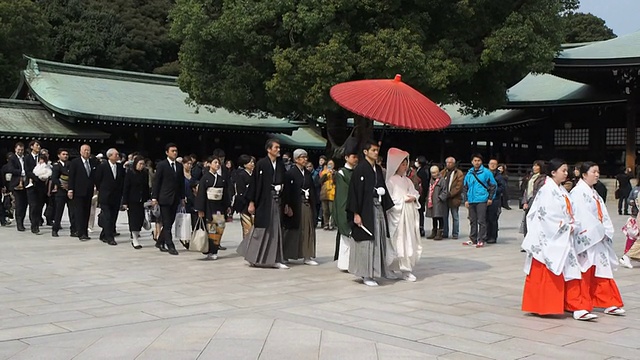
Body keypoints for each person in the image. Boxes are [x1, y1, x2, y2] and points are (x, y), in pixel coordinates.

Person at [521, 159, 589, 320]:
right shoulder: (547, 190)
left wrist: (571, 224)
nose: (566, 173)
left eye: (567, 170)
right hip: (550, 237)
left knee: (570, 269)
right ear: (553, 172)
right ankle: (547, 305)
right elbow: (547, 216)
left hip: (562, 235)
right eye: (563, 170)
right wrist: (567, 226)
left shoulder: (560, 190)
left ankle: (574, 305)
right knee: (552, 271)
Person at [570, 161, 625, 316]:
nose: (597, 175)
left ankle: (609, 302)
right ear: (584, 174)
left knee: (602, 269)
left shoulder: (594, 192)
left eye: (598, 172)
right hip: (587, 237)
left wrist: (605, 230)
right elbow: (582, 216)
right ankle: (580, 305)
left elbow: (604, 214)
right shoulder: (578, 192)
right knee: (585, 270)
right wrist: (596, 232)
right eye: (594, 171)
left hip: (598, 236)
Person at [346, 140, 394, 287]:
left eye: (377, 150)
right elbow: (354, 192)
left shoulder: (378, 169)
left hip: (377, 207)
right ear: (365, 152)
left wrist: (382, 192)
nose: (376, 152)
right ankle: (366, 273)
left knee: (378, 238)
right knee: (366, 240)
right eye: (373, 150)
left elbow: (381, 186)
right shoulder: (360, 169)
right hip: (365, 209)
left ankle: (375, 271)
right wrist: (355, 213)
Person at [239, 139, 288, 269]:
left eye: (279, 147)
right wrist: (251, 202)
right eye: (276, 147)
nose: (278, 150)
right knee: (260, 229)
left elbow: (285, 183)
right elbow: (255, 184)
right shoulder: (261, 164)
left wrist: (286, 201)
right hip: (264, 200)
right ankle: (253, 256)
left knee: (276, 228)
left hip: (277, 199)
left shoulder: (280, 164)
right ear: (269, 149)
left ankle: (275, 259)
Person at [385, 148, 422, 282]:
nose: (405, 166)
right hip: (397, 215)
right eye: (402, 163)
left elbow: (415, 192)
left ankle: (406, 269)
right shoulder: (390, 181)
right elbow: (388, 200)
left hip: (408, 215)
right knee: (396, 241)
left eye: (406, 163)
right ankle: (390, 267)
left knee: (408, 241)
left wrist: (413, 197)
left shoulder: (408, 181)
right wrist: (402, 201)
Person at [282, 149, 318, 265]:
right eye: (302, 157)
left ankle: (307, 256)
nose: (305, 160)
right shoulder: (290, 173)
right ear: (296, 159)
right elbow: (287, 191)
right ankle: (286, 254)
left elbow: (312, 188)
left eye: (306, 157)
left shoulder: (307, 174)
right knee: (293, 230)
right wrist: (287, 205)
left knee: (308, 229)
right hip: (295, 204)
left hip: (306, 203)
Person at [152, 143, 185, 255]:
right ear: (167, 152)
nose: (175, 153)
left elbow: (181, 183)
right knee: (166, 222)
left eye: (176, 151)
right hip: (164, 198)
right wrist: (154, 197)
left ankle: (160, 242)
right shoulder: (162, 165)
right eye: (172, 151)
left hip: (175, 198)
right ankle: (170, 245)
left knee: (170, 222)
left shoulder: (179, 166)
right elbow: (157, 182)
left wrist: (182, 197)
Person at [196, 156, 231, 260]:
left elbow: (225, 194)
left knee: (218, 228)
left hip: (219, 206)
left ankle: (215, 249)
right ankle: (210, 250)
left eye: (218, 163)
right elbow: (201, 194)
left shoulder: (221, 179)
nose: (217, 165)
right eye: (215, 162)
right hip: (209, 205)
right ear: (209, 164)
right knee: (211, 229)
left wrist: (228, 206)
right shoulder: (205, 178)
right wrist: (200, 209)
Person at [334, 139, 359, 270]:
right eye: (353, 157)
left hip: (354, 208)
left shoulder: (356, 172)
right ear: (346, 157)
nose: (356, 159)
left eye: (357, 157)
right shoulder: (341, 173)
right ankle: (344, 264)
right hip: (345, 208)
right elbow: (342, 198)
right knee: (346, 238)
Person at [462, 154, 496, 248]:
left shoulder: (486, 172)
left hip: (482, 199)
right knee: (472, 220)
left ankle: (481, 239)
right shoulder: (469, 173)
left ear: (481, 162)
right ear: (472, 162)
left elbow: (493, 185)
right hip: (471, 199)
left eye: (479, 160)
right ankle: (473, 238)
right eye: (475, 160)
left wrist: (490, 198)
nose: (477, 162)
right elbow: (465, 187)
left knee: (481, 220)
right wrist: (466, 199)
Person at [94, 148, 125, 246]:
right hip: (105, 196)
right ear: (109, 156)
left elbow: (122, 180)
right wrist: (102, 190)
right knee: (107, 217)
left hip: (116, 196)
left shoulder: (120, 167)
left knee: (113, 217)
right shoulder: (102, 166)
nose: (117, 156)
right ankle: (109, 237)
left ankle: (103, 234)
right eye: (115, 154)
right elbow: (98, 180)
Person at [68, 144, 97, 241]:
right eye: (85, 150)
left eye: (88, 150)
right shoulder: (75, 162)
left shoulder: (93, 162)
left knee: (87, 212)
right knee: (79, 212)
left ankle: (85, 231)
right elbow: (71, 177)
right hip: (78, 191)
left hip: (89, 191)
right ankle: (80, 233)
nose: (87, 152)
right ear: (80, 151)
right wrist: (70, 189)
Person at [122, 156, 150, 249]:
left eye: (143, 164)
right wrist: (125, 202)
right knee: (134, 220)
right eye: (140, 164)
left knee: (140, 219)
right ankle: (134, 238)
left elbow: (146, 187)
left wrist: (149, 199)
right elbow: (126, 188)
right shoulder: (130, 173)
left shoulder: (145, 173)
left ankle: (137, 233)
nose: (141, 166)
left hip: (142, 200)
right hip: (132, 200)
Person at [51, 149, 75, 237]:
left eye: (67, 154)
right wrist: (62, 185)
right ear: (59, 155)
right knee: (58, 212)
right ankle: (55, 229)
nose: (65, 156)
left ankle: (73, 230)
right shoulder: (56, 165)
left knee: (72, 212)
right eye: (63, 154)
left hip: (70, 190)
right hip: (60, 191)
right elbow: (54, 178)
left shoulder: (71, 164)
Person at [24, 140, 46, 234]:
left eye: (39, 145)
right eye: (37, 145)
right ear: (32, 147)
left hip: (41, 185)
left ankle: (37, 222)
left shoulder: (42, 157)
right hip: (31, 184)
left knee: (40, 206)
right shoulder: (27, 158)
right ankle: (34, 226)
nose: (39, 147)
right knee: (33, 205)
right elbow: (27, 171)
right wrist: (36, 177)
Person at [519, 160, 546, 237]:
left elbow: (538, 192)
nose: (534, 167)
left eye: (537, 166)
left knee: (534, 223)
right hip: (527, 201)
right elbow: (526, 190)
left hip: (535, 202)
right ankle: (526, 241)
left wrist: (530, 203)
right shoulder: (531, 177)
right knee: (526, 222)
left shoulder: (543, 178)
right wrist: (524, 202)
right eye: (534, 165)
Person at [233, 155, 255, 240]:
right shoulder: (241, 175)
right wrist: (248, 202)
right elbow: (240, 191)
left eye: (253, 162)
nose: (252, 164)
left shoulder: (254, 174)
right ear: (245, 165)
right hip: (244, 204)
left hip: (254, 203)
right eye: (250, 162)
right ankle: (246, 247)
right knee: (247, 227)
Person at [441, 157, 463, 239]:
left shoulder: (459, 173)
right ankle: (445, 232)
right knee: (444, 216)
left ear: (454, 163)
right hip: (444, 198)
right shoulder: (443, 172)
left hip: (454, 198)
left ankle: (455, 233)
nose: (449, 164)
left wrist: (450, 194)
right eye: (447, 162)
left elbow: (459, 186)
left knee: (455, 216)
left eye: (450, 162)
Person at [486, 159, 506, 244]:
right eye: (491, 163)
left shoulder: (499, 176)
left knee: (492, 218)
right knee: (484, 218)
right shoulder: (485, 173)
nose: (492, 165)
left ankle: (493, 236)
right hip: (484, 198)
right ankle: (485, 235)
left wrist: (493, 191)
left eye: (494, 164)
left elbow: (502, 187)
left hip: (495, 199)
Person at [426, 165, 447, 240]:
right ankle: (434, 231)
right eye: (432, 173)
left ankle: (440, 233)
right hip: (432, 201)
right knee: (433, 217)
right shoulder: (431, 180)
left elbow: (445, 191)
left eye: (435, 172)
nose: (433, 174)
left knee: (440, 217)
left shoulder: (442, 180)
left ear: (438, 172)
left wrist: (439, 198)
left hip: (439, 202)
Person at [415, 156, 430, 237]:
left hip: (421, 195)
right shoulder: (420, 170)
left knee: (420, 212)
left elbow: (424, 184)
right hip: (420, 194)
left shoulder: (422, 171)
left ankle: (421, 228)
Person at [320, 159, 336, 230]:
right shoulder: (323, 172)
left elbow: (336, 182)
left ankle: (331, 224)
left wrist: (333, 174)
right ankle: (326, 224)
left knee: (332, 210)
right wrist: (326, 174)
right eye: (329, 164)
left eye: (332, 164)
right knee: (325, 210)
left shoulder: (335, 173)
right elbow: (320, 181)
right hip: (324, 193)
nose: (330, 165)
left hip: (332, 193)